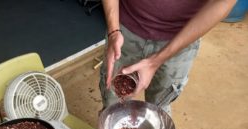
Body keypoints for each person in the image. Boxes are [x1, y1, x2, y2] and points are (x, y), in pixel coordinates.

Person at [99, 0, 236, 114]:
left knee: (159, 105)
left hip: (182, 38)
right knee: (113, 100)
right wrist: (113, 31)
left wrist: (155, 62)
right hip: (124, 29)